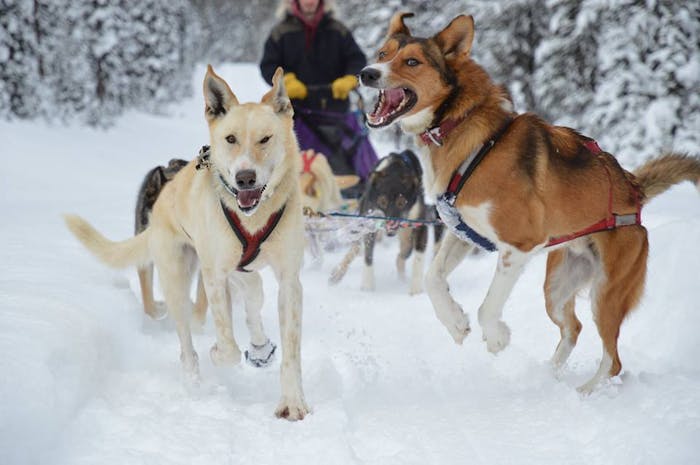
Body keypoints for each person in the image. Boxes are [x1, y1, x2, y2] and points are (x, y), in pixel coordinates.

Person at [260, 0, 377, 197]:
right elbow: (268, 65)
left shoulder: (338, 30)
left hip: (336, 112)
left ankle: (355, 203)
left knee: (350, 168)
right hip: (296, 114)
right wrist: (285, 80)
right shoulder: (280, 32)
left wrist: (350, 78)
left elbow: (357, 59)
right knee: (295, 169)